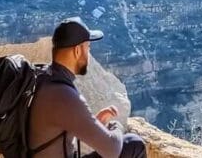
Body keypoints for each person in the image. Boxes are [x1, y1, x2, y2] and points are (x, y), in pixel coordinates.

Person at [28, 17, 147, 158]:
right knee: (134, 144)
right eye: (88, 48)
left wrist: (95, 123)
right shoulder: (63, 95)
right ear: (77, 51)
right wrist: (116, 127)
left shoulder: (44, 78)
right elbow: (112, 150)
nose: (88, 55)